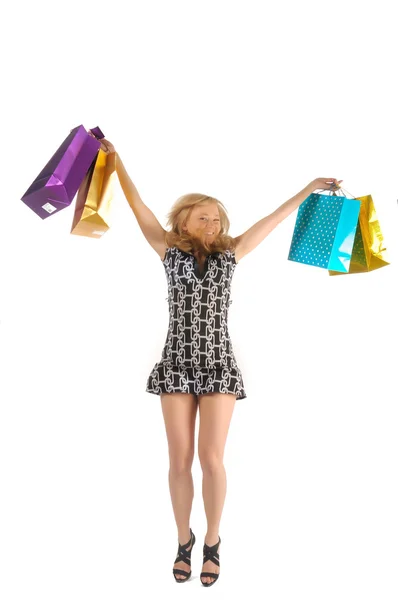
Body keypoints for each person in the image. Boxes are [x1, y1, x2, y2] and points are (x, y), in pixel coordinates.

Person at [97, 135, 342, 586]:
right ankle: (181, 540)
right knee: (178, 460)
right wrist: (116, 162)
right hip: (176, 362)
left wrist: (309, 188)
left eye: (217, 217)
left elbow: (273, 218)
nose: (212, 222)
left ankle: (212, 542)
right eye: (203, 216)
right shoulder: (167, 249)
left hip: (218, 366)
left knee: (211, 458)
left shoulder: (233, 252)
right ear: (184, 220)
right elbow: (138, 206)